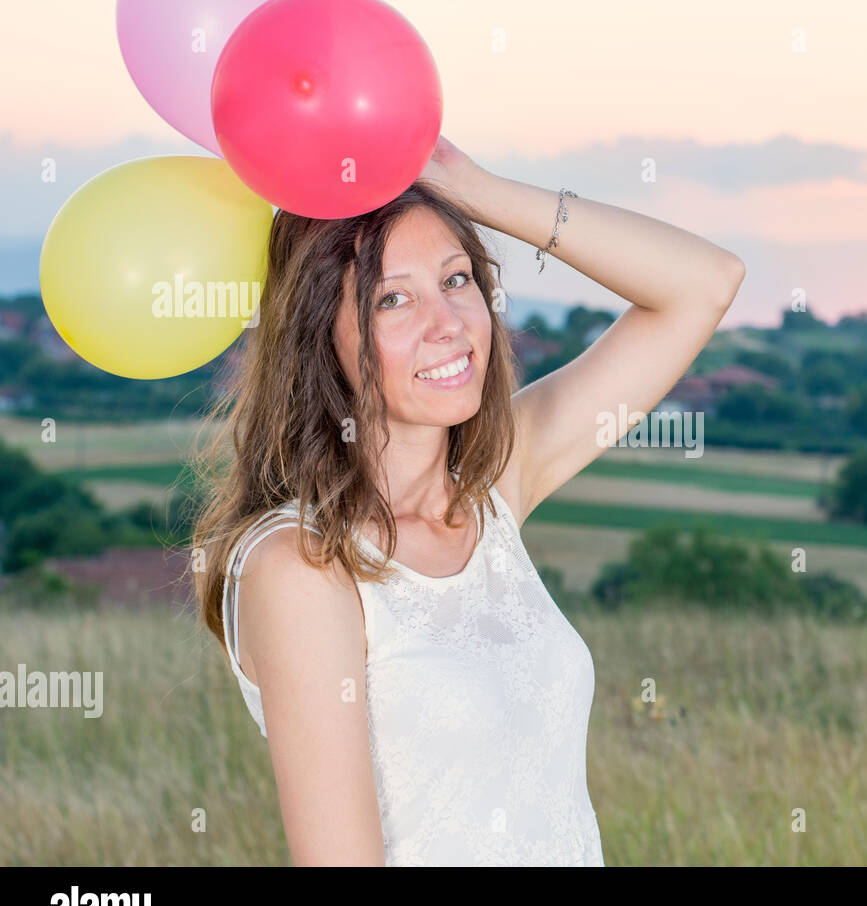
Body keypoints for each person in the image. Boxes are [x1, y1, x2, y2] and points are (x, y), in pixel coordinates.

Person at [190, 136, 745, 865]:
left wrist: (478, 192)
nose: (447, 323)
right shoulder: (302, 565)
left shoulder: (495, 490)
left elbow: (705, 281)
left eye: (458, 280)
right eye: (393, 299)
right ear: (320, 338)